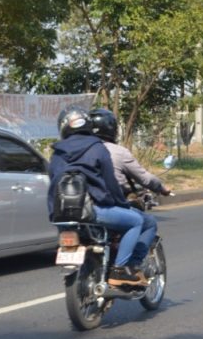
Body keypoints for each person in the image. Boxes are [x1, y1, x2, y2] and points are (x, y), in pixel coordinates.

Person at [48, 106, 147, 287]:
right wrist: (122, 204)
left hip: (62, 216)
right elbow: (110, 184)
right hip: (93, 211)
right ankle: (119, 270)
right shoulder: (97, 148)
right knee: (137, 221)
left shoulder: (56, 153)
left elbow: (53, 183)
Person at [89, 108, 170, 268]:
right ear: (112, 130)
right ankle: (128, 267)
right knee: (145, 222)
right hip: (103, 207)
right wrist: (161, 187)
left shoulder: (78, 150)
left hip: (77, 209)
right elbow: (145, 178)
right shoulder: (116, 152)